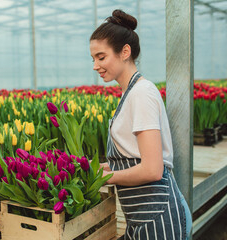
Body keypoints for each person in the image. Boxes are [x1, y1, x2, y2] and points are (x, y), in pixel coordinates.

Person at [90, 9, 192, 240]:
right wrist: (107, 167)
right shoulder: (130, 92)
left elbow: (152, 169)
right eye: (93, 58)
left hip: (159, 219)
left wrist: (106, 177)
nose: (95, 65)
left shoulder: (141, 93)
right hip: (143, 216)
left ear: (125, 51)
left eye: (101, 57)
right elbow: (134, 154)